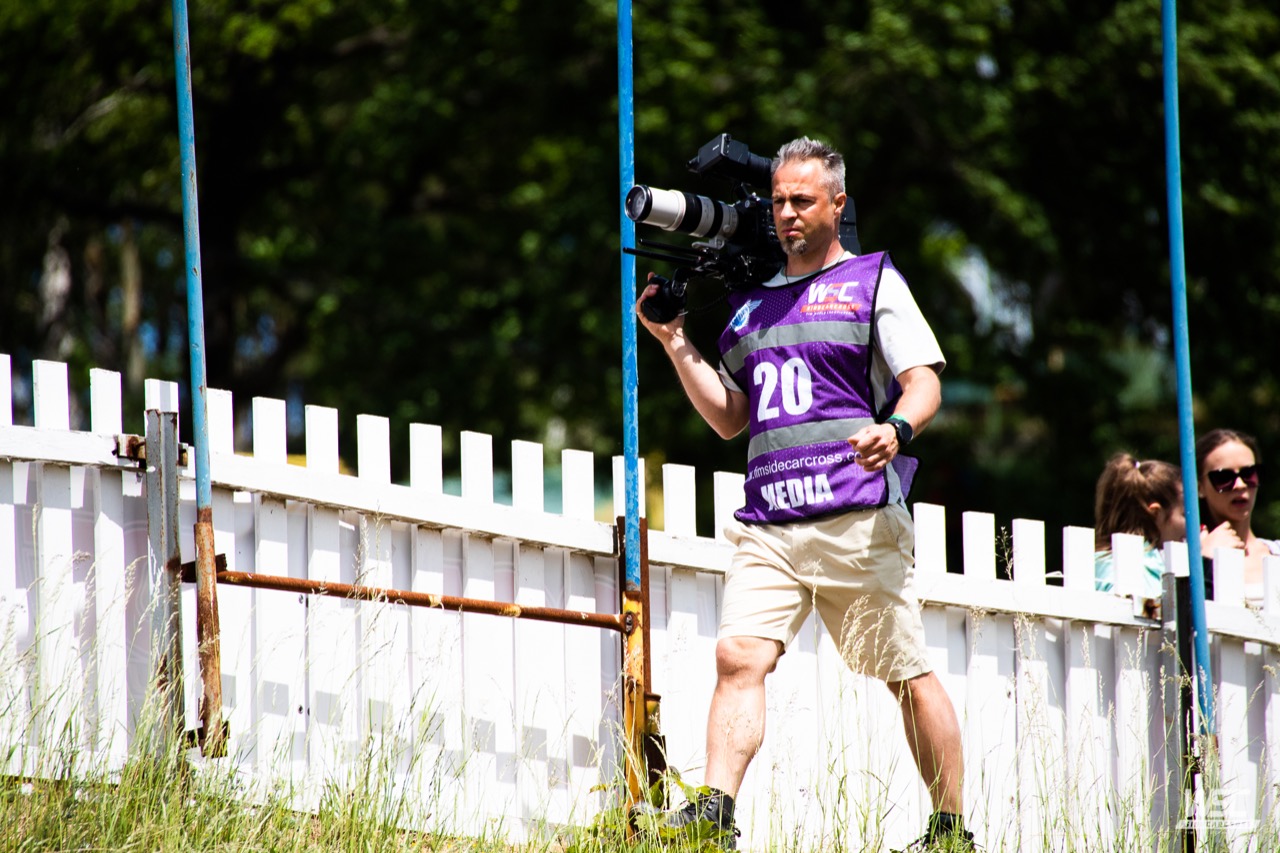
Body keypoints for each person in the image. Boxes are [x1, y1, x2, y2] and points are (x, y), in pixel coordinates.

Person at [635, 137, 971, 852]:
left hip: (857, 516)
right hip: (770, 523)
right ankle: (715, 816)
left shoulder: (873, 280)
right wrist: (674, 342)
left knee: (905, 673)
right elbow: (731, 417)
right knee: (738, 657)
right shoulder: (750, 306)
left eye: (803, 200)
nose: (787, 213)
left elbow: (923, 380)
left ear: (837, 204)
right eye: (779, 201)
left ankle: (950, 829)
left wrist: (897, 428)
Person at [1092, 453, 1239, 601]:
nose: (1195, 526)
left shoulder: (1150, 564)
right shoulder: (1124, 568)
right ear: (1156, 513)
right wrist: (1204, 560)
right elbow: (1171, 613)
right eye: (1185, 515)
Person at [1196, 428, 1280, 605]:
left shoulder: (1276, 552)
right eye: (1223, 477)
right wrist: (1205, 561)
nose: (1240, 485)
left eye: (1249, 474)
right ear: (1199, 488)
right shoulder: (1183, 556)